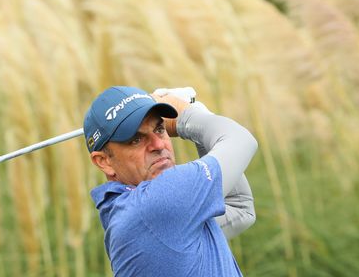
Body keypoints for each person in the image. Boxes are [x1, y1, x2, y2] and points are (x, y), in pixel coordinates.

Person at [84, 85, 258, 276]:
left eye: (160, 129)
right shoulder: (154, 204)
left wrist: (195, 113)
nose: (158, 145)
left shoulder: (128, 210)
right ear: (104, 161)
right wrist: (187, 114)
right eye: (135, 140)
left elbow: (239, 209)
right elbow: (242, 140)